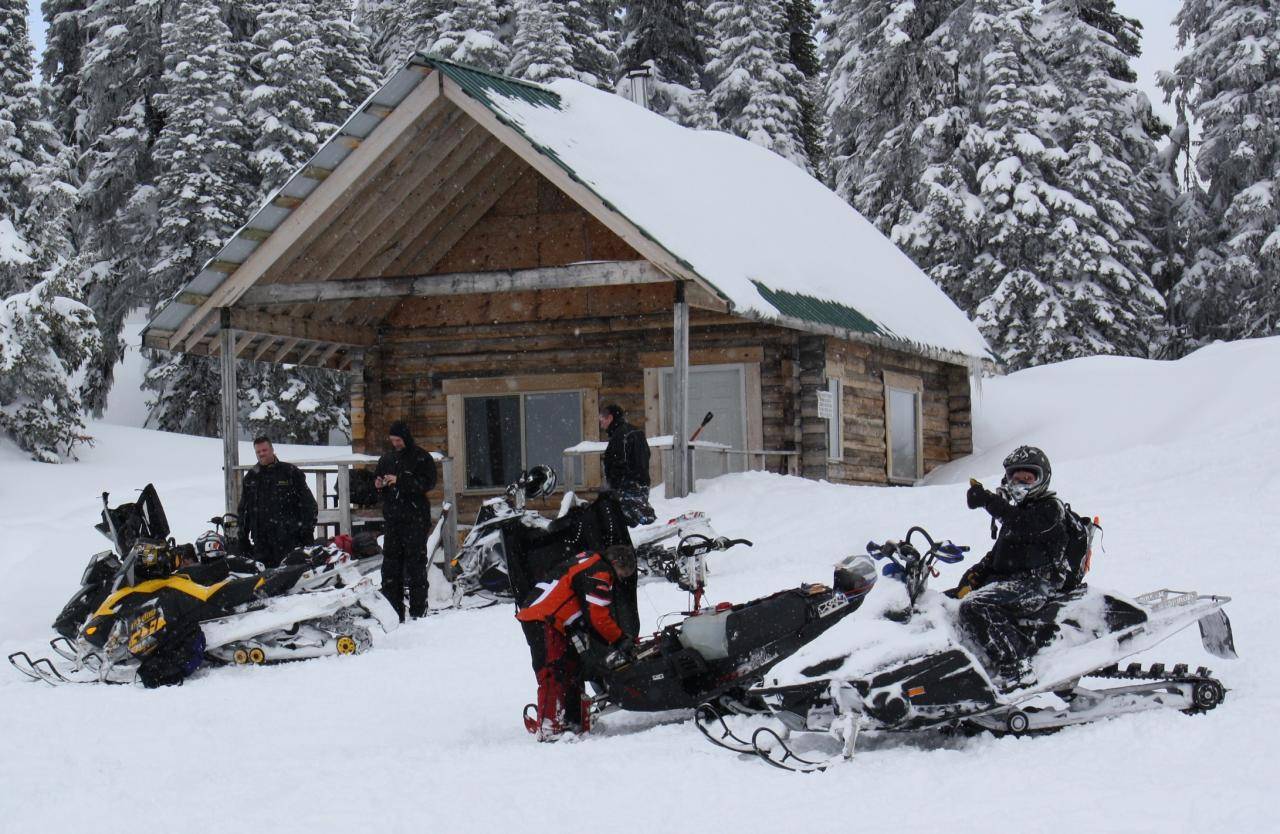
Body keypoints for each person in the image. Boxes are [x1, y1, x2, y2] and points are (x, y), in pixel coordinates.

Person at [954, 445, 1070, 690]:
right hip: (1010, 583)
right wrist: (973, 577)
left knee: (977, 605)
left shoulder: (1050, 509)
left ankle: (1018, 669)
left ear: (1041, 479)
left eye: (1028, 478)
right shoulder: (1015, 513)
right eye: (1015, 478)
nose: (1020, 483)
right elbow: (1000, 554)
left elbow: (1023, 525)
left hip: (1037, 584)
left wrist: (988, 501)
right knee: (947, 605)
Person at [516, 545, 637, 740]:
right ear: (616, 564)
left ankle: (573, 719)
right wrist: (620, 640)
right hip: (544, 618)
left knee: (571, 667)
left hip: (548, 616)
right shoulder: (600, 571)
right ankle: (550, 728)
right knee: (553, 671)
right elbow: (598, 617)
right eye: (622, 574)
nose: (619, 579)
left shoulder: (589, 559)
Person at [375, 420, 438, 622]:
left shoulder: (421, 457)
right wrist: (379, 483)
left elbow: (428, 483)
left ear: (406, 438)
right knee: (390, 569)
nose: (396, 444)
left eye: (399, 440)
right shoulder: (387, 458)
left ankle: (419, 611)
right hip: (393, 520)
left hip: (415, 519)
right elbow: (378, 482)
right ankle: (394, 612)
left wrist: (401, 480)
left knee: (415, 566)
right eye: (393, 440)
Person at [237, 437, 318, 567]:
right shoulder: (251, 478)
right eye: (258, 452)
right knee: (264, 581)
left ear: (272, 449)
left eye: (264, 450)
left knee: (291, 579)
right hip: (261, 543)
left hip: (289, 540)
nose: (262, 454)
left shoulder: (290, 472)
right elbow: (244, 510)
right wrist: (242, 537)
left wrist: (306, 532)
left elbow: (309, 505)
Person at [599, 404, 655, 527]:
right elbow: (646, 456)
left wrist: (614, 486)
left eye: (602, 417)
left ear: (610, 418)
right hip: (642, 483)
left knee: (627, 523)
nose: (600, 421)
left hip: (627, 488)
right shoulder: (635, 432)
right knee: (637, 517)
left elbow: (617, 463)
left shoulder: (620, 436)